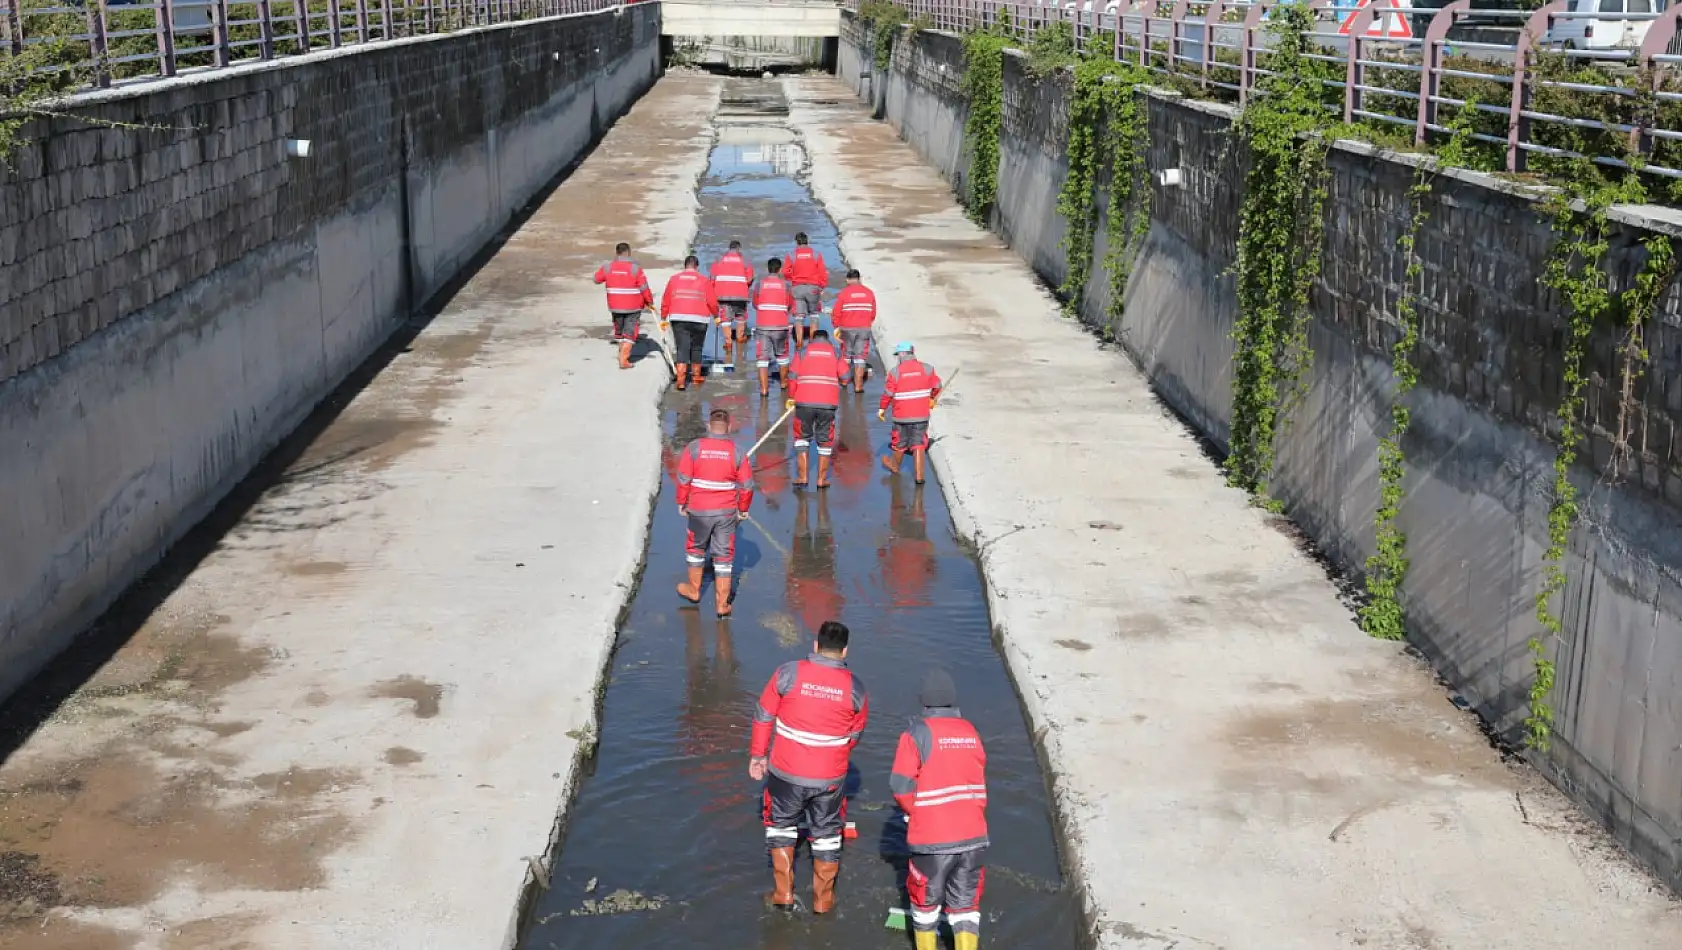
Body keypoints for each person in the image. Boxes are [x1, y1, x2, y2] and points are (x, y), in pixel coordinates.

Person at [749, 620, 868, 914]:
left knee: (781, 826)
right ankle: (823, 901)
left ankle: (783, 894)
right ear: (844, 651)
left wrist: (758, 756)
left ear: (815, 646)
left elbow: (763, 715)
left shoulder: (787, 673)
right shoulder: (856, 688)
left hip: (786, 773)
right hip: (830, 778)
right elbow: (854, 736)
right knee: (827, 834)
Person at [890, 670, 989, 950]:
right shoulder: (971, 731)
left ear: (924, 701)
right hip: (974, 836)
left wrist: (914, 812)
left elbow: (899, 786)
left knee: (925, 906)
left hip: (933, 840)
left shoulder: (916, 733)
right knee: (966, 908)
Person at [674, 408, 756, 616]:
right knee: (724, 555)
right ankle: (722, 604)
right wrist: (743, 509)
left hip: (699, 509)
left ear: (709, 426)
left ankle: (694, 590)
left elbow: (683, 478)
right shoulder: (737, 452)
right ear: (728, 428)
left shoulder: (694, 448)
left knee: (695, 547)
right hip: (726, 512)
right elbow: (747, 486)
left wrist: (682, 502)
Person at [785, 328, 849, 489]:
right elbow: (846, 377)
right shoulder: (835, 352)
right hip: (827, 404)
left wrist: (791, 397)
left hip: (804, 402)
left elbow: (792, 376)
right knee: (825, 441)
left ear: (812, 340)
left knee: (801, 438)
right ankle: (821, 479)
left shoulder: (802, 352)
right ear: (828, 340)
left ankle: (803, 477)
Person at [878, 342, 943, 485]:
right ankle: (919, 477)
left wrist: (882, 408)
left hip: (901, 415)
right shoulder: (927, 368)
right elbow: (937, 386)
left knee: (899, 443)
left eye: (897, 355)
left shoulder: (895, 372)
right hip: (921, 414)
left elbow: (888, 394)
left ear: (901, 355)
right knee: (919, 443)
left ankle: (895, 465)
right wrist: (932, 398)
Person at [662, 255, 719, 391]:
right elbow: (712, 302)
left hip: (678, 318)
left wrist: (664, 318)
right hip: (699, 319)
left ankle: (681, 381)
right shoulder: (704, 281)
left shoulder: (674, 279)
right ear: (697, 267)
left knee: (682, 348)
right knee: (697, 347)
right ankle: (696, 376)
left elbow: (666, 300)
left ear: (685, 266)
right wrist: (716, 315)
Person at [593, 242, 654, 370]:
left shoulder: (608, 267)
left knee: (619, 330)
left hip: (615, 305)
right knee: (630, 332)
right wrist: (649, 301)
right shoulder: (635, 268)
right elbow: (644, 287)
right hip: (633, 306)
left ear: (617, 253)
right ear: (629, 252)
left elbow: (596, 279)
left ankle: (621, 352)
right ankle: (624, 360)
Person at [752, 258, 796, 398]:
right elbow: (790, 305)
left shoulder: (759, 285)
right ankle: (783, 384)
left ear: (768, 269)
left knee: (762, 359)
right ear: (780, 269)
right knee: (782, 357)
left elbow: (755, 304)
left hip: (763, 326)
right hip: (780, 326)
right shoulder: (787, 286)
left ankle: (764, 390)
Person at [711, 241, 756, 371]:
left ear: (729, 249)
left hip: (722, 295)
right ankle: (740, 341)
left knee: (725, 320)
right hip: (740, 295)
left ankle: (728, 344)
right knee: (741, 317)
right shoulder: (745, 260)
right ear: (739, 249)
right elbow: (749, 278)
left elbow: (712, 278)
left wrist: (715, 293)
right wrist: (744, 287)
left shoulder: (719, 260)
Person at [831, 269, 877, 393]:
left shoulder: (844, 293)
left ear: (847, 280)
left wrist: (836, 327)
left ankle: (844, 381)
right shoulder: (869, 293)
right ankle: (858, 386)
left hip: (846, 328)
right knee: (860, 357)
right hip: (863, 328)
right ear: (859, 278)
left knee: (846, 355)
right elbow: (873, 313)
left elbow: (836, 312)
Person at [784, 232, 829, 348]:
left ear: (796, 242)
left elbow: (785, 272)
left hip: (797, 288)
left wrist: (793, 278)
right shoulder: (816, 254)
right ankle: (813, 343)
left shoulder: (791, 255)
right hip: (813, 288)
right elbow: (822, 273)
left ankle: (799, 343)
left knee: (799, 317)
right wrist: (821, 286)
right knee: (814, 315)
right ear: (807, 241)